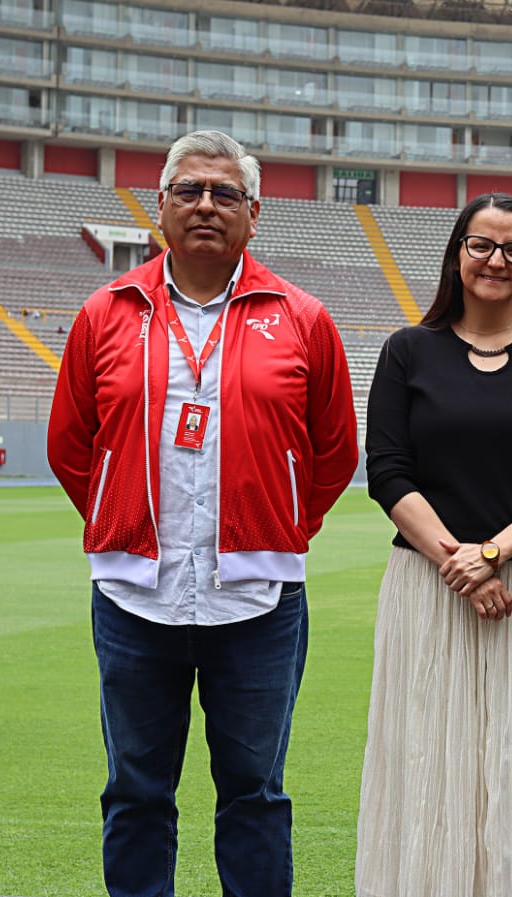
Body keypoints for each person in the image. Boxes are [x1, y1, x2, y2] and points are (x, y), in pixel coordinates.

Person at [47, 130, 359, 896]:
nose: (206, 206)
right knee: (136, 792)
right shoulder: (106, 310)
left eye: (225, 194)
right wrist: (123, 519)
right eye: (189, 191)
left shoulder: (303, 317)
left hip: (258, 600)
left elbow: (334, 453)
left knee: (255, 794)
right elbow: (71, 446)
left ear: (254, 214)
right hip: (134, 596)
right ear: (160, 207)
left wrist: (277, 528)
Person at [356, 193, 512, 897]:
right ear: (456, 254)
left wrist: (493, 553)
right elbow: (388, 472)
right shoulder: (408, 351)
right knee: (429, 762)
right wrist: (459, 562)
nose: (496, 259)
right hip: (429, 591)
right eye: (481, 244)